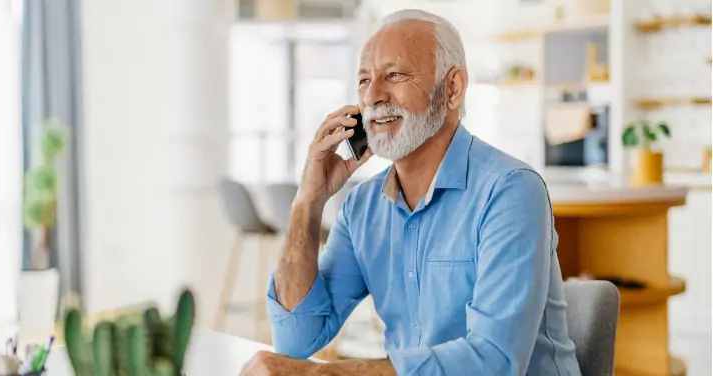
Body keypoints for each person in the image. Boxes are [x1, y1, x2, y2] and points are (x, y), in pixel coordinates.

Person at [239, 9, 581, 376]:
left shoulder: (510, 191)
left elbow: (494, 362)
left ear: (452, 88)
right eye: (364, 80)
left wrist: (320, 374)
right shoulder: (362, 208)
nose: (372, 96)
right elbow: (296, 337)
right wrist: (308, 201)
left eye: (395, 75)